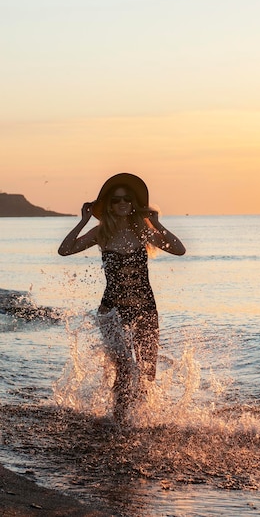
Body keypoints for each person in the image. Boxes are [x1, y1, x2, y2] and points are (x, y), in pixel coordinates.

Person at [58, 173, 186, 424]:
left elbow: (179, 250)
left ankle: (139, 420)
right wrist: (83, 221)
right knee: (126, 370)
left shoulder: (143, 232)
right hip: (112, 311)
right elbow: (64, 250)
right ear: (109, 205)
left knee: (147, 372)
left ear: (134, 203)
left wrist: (157, 224)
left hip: (145, 309)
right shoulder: (101, 233)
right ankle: (118, 421)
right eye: (116, 200)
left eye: (128, 199)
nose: (123, 203)